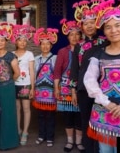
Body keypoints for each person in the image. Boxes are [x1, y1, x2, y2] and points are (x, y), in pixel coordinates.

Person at [83, 0, 120, 153]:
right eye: (108, 27)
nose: (113, 30)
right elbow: (89, 80)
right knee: (105, 150)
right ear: (104, 31)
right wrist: (106, 102)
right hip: (103, 113)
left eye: (118, 25)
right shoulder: (98, 54)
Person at [70, 0, 107, 153]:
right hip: (84, 90)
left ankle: (102, 148)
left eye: (92, 22)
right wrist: (73, 90)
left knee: (102, 121)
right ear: (82, 26)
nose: (89, 26)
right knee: (86, 120)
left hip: (104, 89)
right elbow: (75, 68)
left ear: (97, 24)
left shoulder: (105, 42)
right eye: (86, 23)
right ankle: (88, 148)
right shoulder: (79, 46)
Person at [53, 19, 85, 152]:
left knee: (80, 116)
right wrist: (56, 88)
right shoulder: (62, 51)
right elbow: (57, 71)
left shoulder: (85, 50)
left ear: (81, 36)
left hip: (81, 87)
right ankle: (70, 141)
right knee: (68, 116)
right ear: (67, 37)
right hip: (65, 88)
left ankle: (79, 142)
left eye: (77, 34)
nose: (74, 37)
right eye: (71, 34)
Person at [0, 23, 20, 150]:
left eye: (2, 40)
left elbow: (17, 73)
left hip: (7, 88)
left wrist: (8, 82)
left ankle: (9, 142)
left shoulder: (11, 56)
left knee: (8, 115)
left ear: (6, 42)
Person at [32, 27, 58, 147]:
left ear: (51, 46)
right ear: (40, 45)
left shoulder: (55, 58)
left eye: (48, 44)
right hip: (39, 92)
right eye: (43, 44)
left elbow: (57, 75)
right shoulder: (36, 59)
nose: (45, 46)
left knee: (51, 116)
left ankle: (50, 137)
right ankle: (41, 135)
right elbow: (33, 75)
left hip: (51, 92)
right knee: (41, 115)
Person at [12, 24, 35, 145]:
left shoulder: (29, 54)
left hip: (25, 85)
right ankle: (18, 129)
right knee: (17, 108)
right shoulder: (11, 54)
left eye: (24, 40)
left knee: (26, 109)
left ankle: (25, 131)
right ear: (15, 41)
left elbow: (31, 71)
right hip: (13, 85)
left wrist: (32, 87)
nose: (22, 42)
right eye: (19, 40)